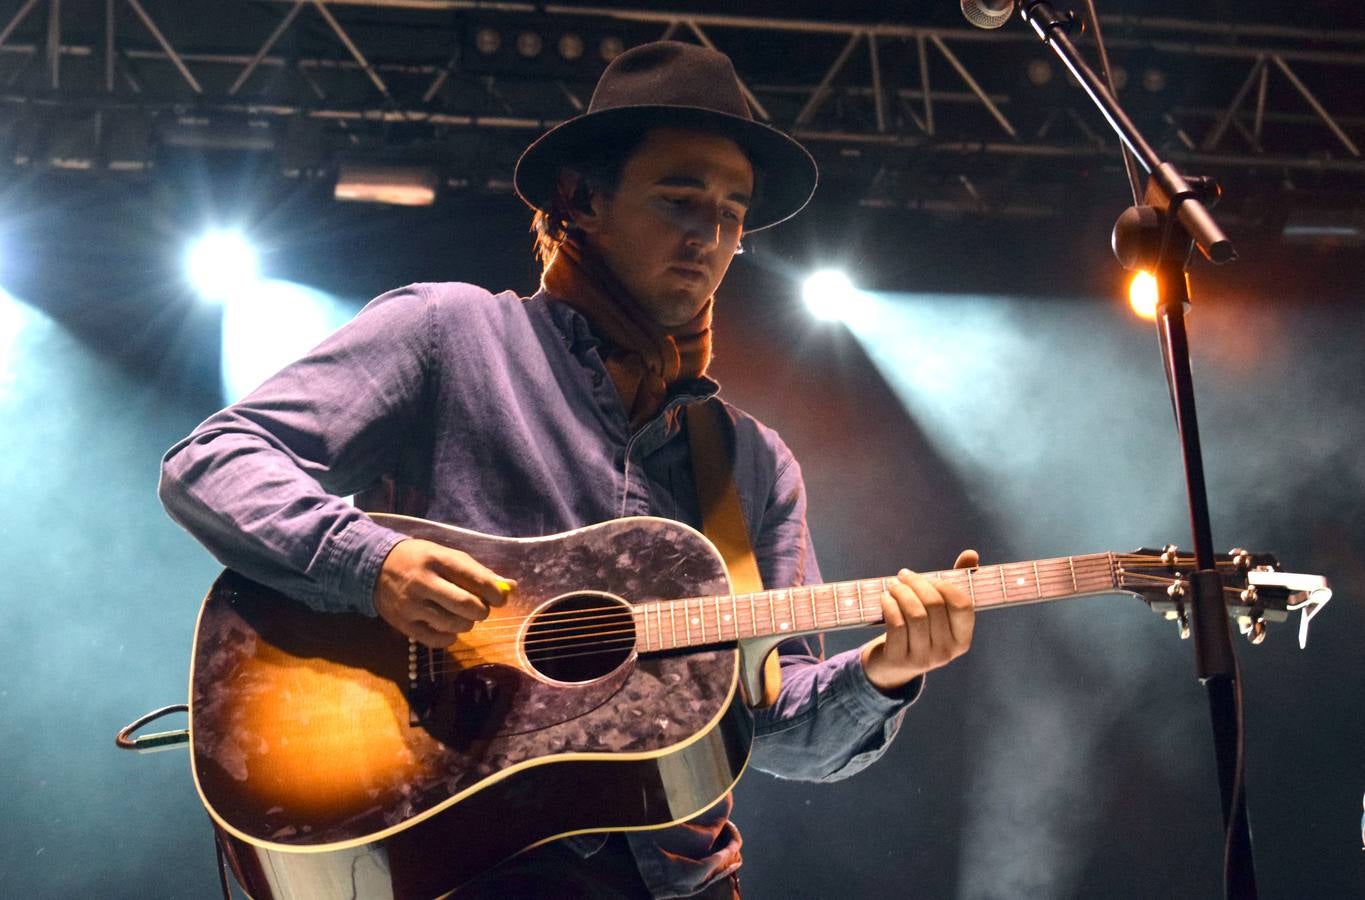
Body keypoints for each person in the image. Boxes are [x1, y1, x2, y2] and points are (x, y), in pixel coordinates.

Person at [160, 40, 976, 899]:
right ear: (580, 199)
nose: (711, 236)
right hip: (463, 861)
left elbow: (772, 727)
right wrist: (377, 565)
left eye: (733, 212)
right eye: (680, 198)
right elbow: (212, 462)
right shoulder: (449, 334)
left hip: (676, 883)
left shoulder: (748, 464)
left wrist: (888, 669)